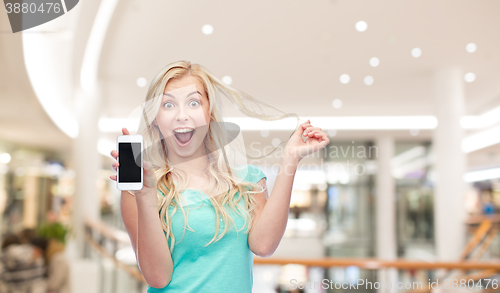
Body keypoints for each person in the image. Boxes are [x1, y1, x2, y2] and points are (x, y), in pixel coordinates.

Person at [109, 60, 329, 292]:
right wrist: (145, 196)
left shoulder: (248, 179)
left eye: (193, 103)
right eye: (168, 105)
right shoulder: (139, 189)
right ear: (155, 117)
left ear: (209, 112)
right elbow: (157, 277)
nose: (182, 115)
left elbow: (264, 245)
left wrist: (291, 158)